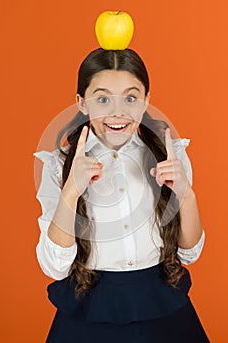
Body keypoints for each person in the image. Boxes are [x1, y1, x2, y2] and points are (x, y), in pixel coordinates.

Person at [33, 48, 210, 342]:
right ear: (82, 103)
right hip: (88, 307)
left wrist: (186, 195)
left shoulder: (170, 157)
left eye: (130, 97)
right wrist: (71, 191)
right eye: (102, 99)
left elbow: (190, 252)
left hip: (161, 305)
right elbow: (55, 266)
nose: (118, 112)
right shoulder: (59, 165)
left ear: (146, 101)